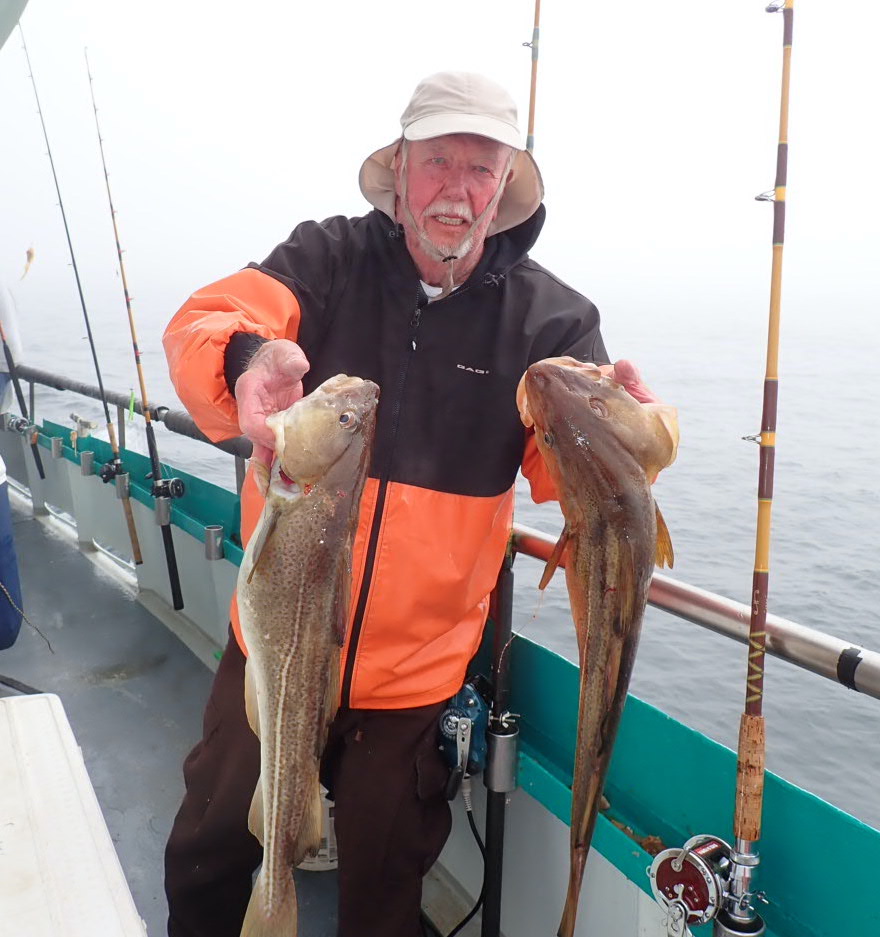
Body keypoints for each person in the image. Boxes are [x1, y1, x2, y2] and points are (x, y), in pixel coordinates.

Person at [162, 71, 658, 937]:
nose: (456, 191)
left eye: (480, 169)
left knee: (385, 898)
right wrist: (245, 361)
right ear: (399, 169)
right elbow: (211, 319)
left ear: (504, 186)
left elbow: (564, 475)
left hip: (412, 678)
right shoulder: (324, 261)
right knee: (206, 852)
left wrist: (624, 437)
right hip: (276, 644)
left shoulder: (553, 323)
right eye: (437, 163)